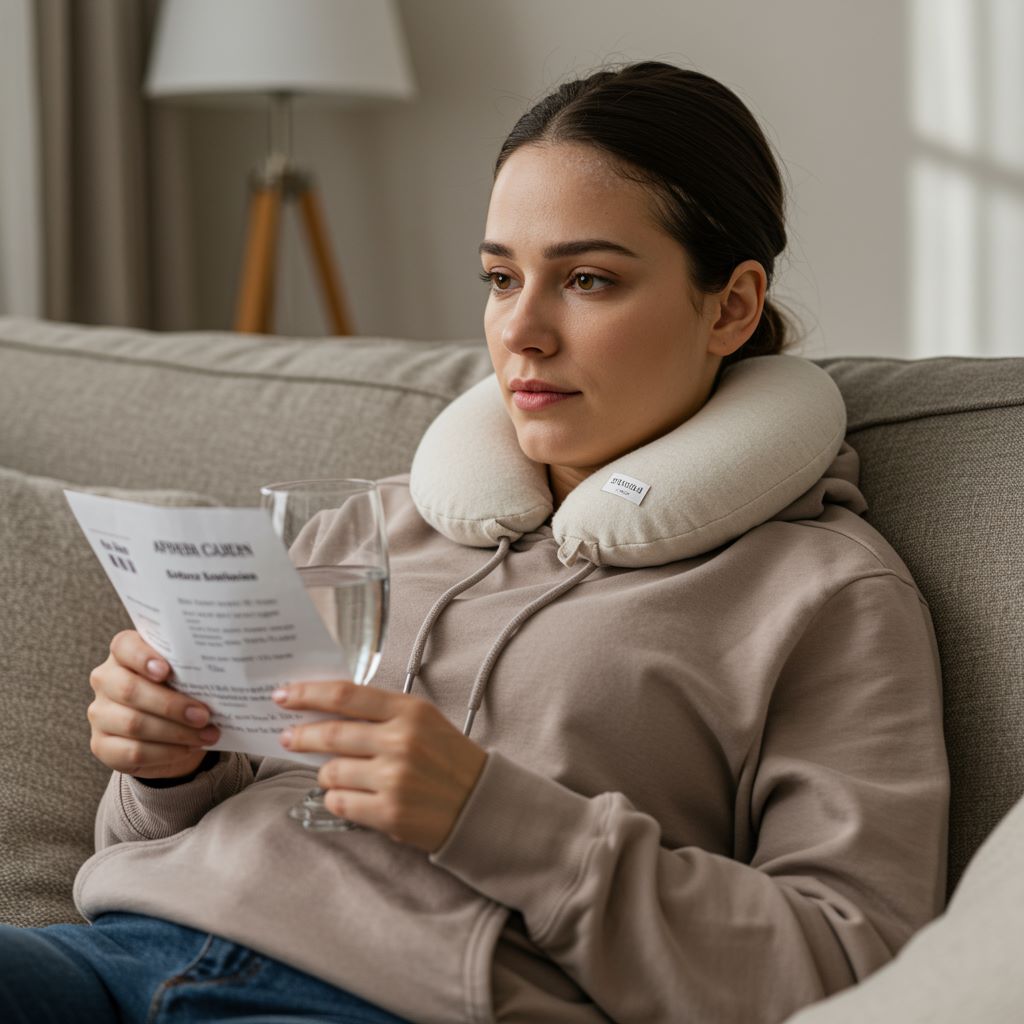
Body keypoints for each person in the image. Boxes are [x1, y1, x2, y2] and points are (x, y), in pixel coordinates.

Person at [0, 61, 948, 1024]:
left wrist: (488, 815)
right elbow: (135, 843)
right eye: (501, 278)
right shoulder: (374, 528)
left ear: (732, 307)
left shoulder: (823, 592)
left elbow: (849, 958)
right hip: (120, 951)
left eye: (587, 279)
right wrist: (168, 768)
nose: (521, 331)